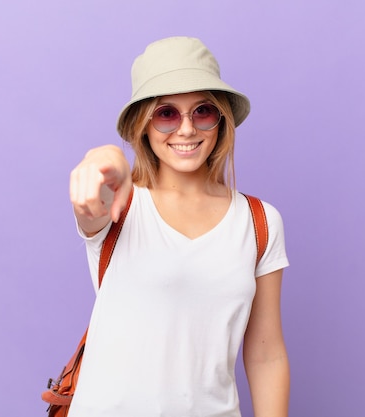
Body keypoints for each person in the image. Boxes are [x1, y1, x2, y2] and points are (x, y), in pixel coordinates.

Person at [68, 36, 290, 417]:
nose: (186, 129)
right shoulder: (121, 204)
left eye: (202, 111)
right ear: (143, 126)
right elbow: (92, 192)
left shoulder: (259, 222)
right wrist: (103, 156)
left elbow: (266, 355)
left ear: (220, 120)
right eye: (166, 113)